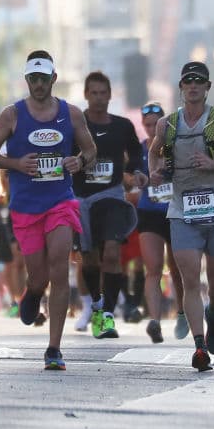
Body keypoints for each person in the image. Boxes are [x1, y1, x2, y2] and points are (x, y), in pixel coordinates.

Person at [0, 51, 97, 370]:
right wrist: (15, 164)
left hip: (60, 201)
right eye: (32, 79)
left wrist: (80, 161)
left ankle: (54, 348)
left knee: (60, 269)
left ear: (53, 79)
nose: (38, 85)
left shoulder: (71, 114)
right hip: (25, 207)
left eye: (43, 79)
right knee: (40, 276)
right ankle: (32, 293)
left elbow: (90, 150)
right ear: (26, 80)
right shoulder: (12, 115)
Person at [148, 61, 214, 372]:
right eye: (187, 81)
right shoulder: (167, 125)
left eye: (199, 82)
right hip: (182, 211)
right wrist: (155, 172)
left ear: (208, 87)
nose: (193, 86)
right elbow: (154, 153)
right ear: (181, 87)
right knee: (190, 278)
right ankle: (200, 346)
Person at [72, 71, 145, 340]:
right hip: (82, 200)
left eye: (104, 93)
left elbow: (136, 154)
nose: (99, 98)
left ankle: (109, 315)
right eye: (94, 93)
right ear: (86, 95)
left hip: (112, 196)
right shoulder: (75, 125)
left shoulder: (123, 126)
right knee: (89, 259)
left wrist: (136, 171)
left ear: (110, 95)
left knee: (113, 252)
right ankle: (96, 305)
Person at [135, 101, 185, 343]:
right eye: (147, 125)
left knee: (177, 268)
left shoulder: (175, 146)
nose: (151, 129)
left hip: (174, 211)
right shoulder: (139, 149)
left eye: (155, 124)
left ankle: (183, 312)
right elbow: (128, 175)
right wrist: (139, 178)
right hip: (149, 211)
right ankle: (154, 320)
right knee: (153, 268)